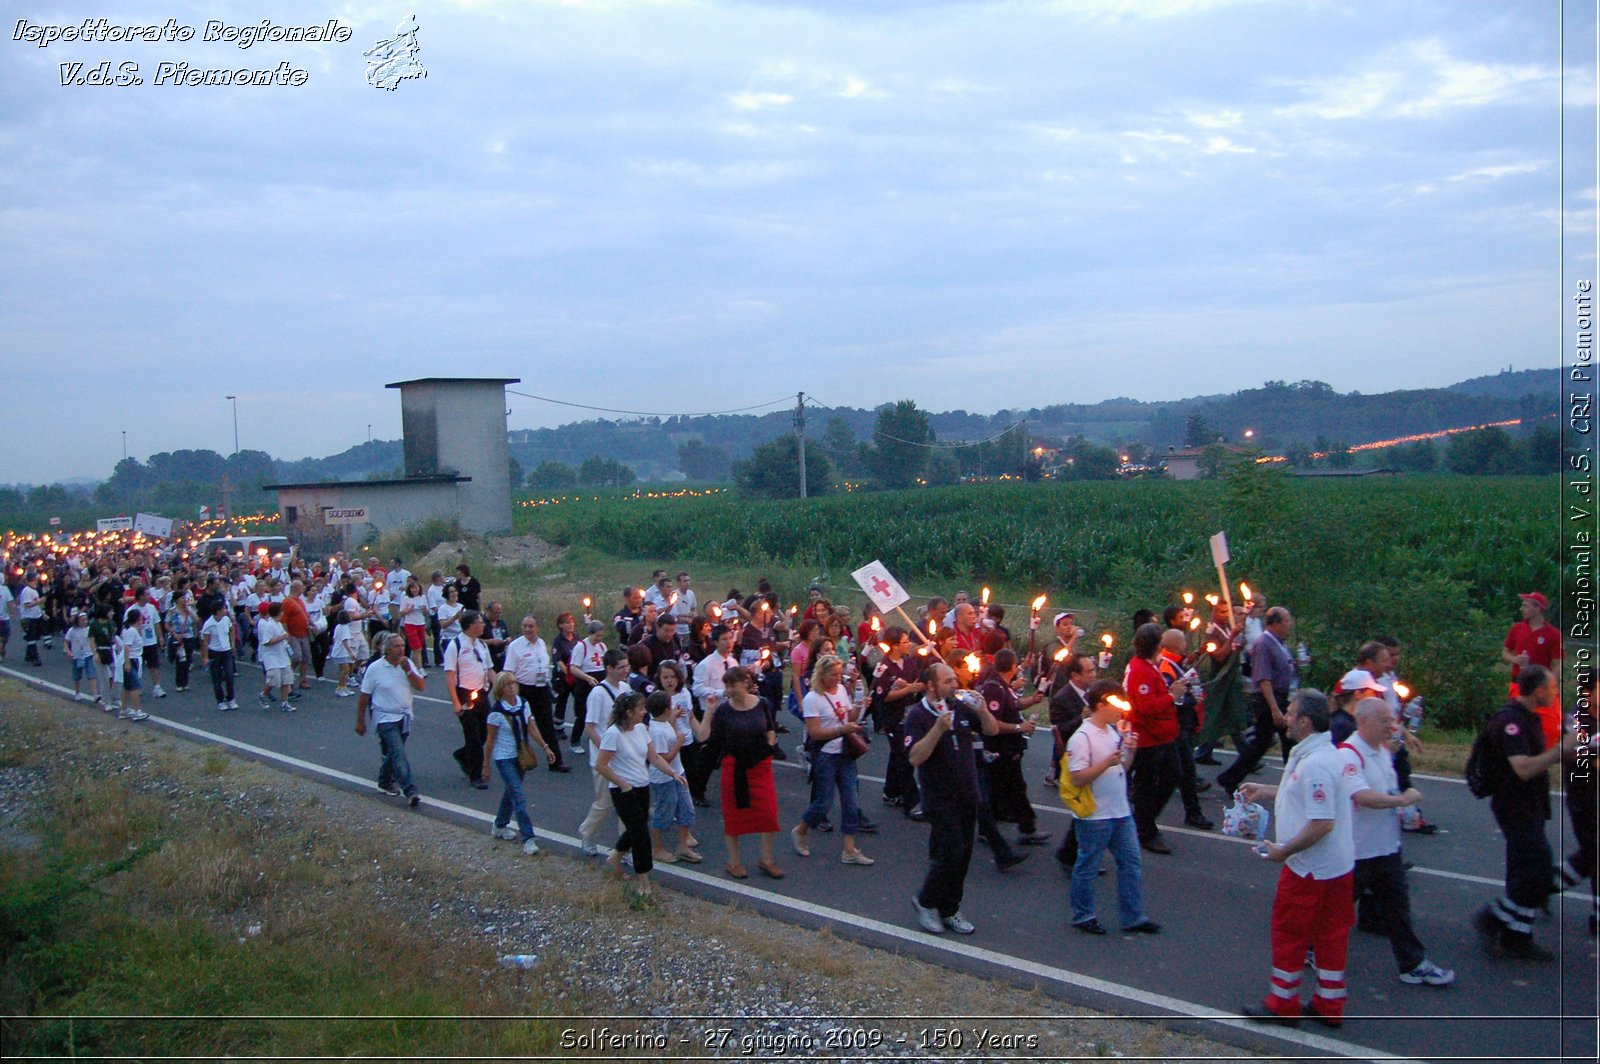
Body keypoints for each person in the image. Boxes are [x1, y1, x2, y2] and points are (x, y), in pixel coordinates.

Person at [1239, 689, 1359, 1028]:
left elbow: (1321, 821)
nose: (1286, 718)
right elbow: (1308, 796)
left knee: (1290, 931)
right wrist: (1267, 790)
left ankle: (1283, 1002)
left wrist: (1285, 850)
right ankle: (1329, 1003)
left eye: (1290, 713)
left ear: (1305, 722)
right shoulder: (1323, 754)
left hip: (1309, 868)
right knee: (1331, 935)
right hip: (1337, 867)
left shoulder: (1316, 762)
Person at [1340, 697, 1455, 986]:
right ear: (1363, 721)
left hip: (1387, 848)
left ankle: (1413, 963)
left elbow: (1387, 785)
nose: (1391, 726)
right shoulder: (1350, 754)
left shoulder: (1381, 750)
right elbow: (1360, 795)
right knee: (1339, 911)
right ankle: (1313, 949)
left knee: (1398, 910)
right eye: (1384, 721)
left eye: (1392, 721)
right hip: (1359, 850)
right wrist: (1401, 800)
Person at [1473, 665, 1578, 959]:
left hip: (1531, 804)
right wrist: (1559, 751)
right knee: (1537, 868)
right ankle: (1493, 917)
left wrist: (1572, 750)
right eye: (1553, 688)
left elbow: (1538, 760)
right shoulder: (1511, 723)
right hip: (1514, 805)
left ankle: (1518, 935)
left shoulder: (1530, 719)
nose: (1557, 694)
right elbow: (1522, 768)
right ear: (1538, 690)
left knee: (1524, 870)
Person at [906, 663, 1002, 936]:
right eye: (947, 681)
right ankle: (925, 901)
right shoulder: (917, 716)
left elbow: (992, 730)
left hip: (967, 794)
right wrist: (937, 729)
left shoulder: (960, 706)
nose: (955, 684)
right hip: (939, 796)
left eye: (954, 679)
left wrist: (982, 710)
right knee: (950, 853)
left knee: (964, 857)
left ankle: (950, 908)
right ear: (931, 685)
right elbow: (915, 756)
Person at [1067, 679, 1159, 935]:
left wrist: (1129, 753)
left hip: (1120, 812)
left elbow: (1122, 770)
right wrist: (1107, 763)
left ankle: (1133, 917)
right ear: (1100, 705)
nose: (1121, 709)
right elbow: (1078, 777)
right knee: (1088, 866)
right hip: (1095, 815)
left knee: (1131, 863)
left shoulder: (1113, 732)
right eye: (1116, 703)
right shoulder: (1082, 737)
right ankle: (1083, 915)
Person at [596, 690, 687, 897]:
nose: (644, 712)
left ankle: (616, 857)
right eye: (640, 708)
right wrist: (622, 783)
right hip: (623, 790)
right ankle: (644, 880)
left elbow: (653, 757)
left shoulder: (641, 729)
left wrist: (672, 772)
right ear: (629, 712)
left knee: (638, 826)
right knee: (640, 834)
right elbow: (602, 765)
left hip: (642, 786)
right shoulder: (613, 734)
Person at [791, 654, 875, 867]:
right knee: (823, 802)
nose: (838, 678)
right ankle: (801, 830)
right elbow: (815, 733)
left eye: (840, 674)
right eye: (834, 675)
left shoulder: (840, 691)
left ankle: (849, 849)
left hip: (844, 754)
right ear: (822, 674)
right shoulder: (813, 699)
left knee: (851, 801)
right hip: (826, 755)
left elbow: (850, 716)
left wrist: (860, 706)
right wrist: (842, 729)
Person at [700, 666, 784, 878]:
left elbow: (771, 727)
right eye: (727, 686)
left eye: (733, 685)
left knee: (768, 813)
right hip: (735, 767)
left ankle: (766, 859)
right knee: (734, 816)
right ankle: (733, 861)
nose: (729, 690)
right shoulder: (723, 711)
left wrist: (770, 744)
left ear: (746, 682)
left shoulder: (763, 704)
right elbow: (714, 741)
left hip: (760, 766)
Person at [1216, 606, 1298, 795]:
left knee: (1273, 741)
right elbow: (1263, 678)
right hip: (1270, 699)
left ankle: (1230, 777)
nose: (1290, 624)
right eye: (1287, 620)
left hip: (1282, 697)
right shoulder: (1264, 644)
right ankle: (1231, 777)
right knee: (1274, 740)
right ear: (1275, 623)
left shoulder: (1279, 642)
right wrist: (1274, 708)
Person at [1125, 622, 1191, 853]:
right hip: (1148, 737)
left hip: (1163, 734)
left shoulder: (1149, 667)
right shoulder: (1140, 671)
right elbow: (1145, 707)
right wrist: (1171, 696)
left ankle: (1143, 821)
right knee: (1148, 785)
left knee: (1172, 775)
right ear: (1156, 646)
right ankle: (1144, 828)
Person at [977, 649, 1050, 847]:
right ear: (1011, 666)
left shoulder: (1003, 686)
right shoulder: (994, 688)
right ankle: (1024, 828)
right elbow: (993, 721)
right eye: (1016, 664)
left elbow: (1013, 705)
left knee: (1006, 788)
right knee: (1010, 788)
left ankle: (997, 826)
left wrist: (1032, 701)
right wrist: (1019, 727)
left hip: (1009, 748)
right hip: (1001, 748)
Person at [483, 672, 553, 856]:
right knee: (519, 797)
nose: (512, 687)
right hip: (504, 757)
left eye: (514, 683)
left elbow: (531, 727)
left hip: (521, 757)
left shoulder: (523, 705)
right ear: (500, 689)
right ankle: (528, 838)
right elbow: (490, 741)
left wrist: (545, 747)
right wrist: (486, 765)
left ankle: (499, 825)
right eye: (507, 685)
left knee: (511, 792)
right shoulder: (496, 713)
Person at [355, 633, 425, 808]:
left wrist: (408, 670)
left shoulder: (407, 664)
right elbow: (364, 696)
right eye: (396, 646)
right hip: (384, 717)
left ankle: (384, 780)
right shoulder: (376, 668)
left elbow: (421, 686)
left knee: (394, 753)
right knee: (398, 751)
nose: (401, 649)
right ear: (387, 649)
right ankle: (410, 791)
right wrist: (360, 720)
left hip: (404, 715)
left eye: (402, 645)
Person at [1156, 628, 1213, 829]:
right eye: (1182, 642)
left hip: (1182, 724)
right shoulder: (1165, 665)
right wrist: (1191, 699)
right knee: (1181, 770)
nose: (1185, 645)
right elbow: (1173, 696)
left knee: (1181, 770)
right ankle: (1190, 812)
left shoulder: (1176, 662)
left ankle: (1192, 812)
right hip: (1176, 723)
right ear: (1175, 645)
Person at [578, 649, 632, 856]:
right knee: (605, 803)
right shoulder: (598, 693)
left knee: (626, 804)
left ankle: (624, 849)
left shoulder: (626, 688)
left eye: (626, 667)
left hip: (624, 756)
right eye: (620, 668)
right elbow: (590, 727)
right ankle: (587, 833)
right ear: (609, 668)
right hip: (604, 760)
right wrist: (605, 750)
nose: (625, 671)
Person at [1556, 671, 1598, 936]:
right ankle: (1530, 890)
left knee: (1590, 857)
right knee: (1593, 854)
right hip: (1584, 796)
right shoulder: (1576, 718)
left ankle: (1534, 888)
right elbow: (1570, 753)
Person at [504, 615, 570, 772]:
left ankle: (555, 762)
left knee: (547, 726)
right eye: (525, 626)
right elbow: (508, 672)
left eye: (531, 626)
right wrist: (511, 693)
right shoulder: (515, 646)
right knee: (521, 726)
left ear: (537, 627)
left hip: (541, 689)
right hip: (523, 690)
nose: (528, 629)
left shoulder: (541, 644)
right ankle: (518, 760)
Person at [645, 691, 700, 864]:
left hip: (677, 772)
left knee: (686, 808)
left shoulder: (663, 723)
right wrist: (678, 744)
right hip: (663, 778)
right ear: (666, 709)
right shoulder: (657, 731)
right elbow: (663, 758)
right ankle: (657, 848)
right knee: (664, 811)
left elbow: (670, 729)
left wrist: (674, 721)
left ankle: (683, 845)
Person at [1501, 591, 1563, 746]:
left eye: (1525, 605)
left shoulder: (1553, 634)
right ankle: (1516, 751)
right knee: (1517, 719)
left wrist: (1548, 685)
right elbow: (1505, 652)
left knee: (1549, 722)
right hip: (1519, 684)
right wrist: (1515, 659)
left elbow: (1557, 664)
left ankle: (1542, 753)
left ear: (1537, 608)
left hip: (1540, 686)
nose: (1521, 609)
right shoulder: (1517, 629)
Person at [875, 626, 926, 813]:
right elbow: (884, 695)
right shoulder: (884, 667)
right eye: (905, 642)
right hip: (892, 718)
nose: (909, 645)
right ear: (895, 646)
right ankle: (911, 800)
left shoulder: (909, 662)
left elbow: (915, 684)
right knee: (904, 757)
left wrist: (915, 686)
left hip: (908, 715)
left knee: (897, 754)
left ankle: (890, 790)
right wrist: (907, 689)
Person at [444, 610, 495, 790]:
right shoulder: (455, 645)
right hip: (465, 694)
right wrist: (456, 702)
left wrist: (500, 688)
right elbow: (449, 676)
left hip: (482, 693)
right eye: (480, 623)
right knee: (472, 735)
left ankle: (463, 755)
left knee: (484, 733)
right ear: (471, 625)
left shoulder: (481, 645)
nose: (483, 626)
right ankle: (476, 775)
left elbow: (489, 669)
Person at [199, 599, 238, 711]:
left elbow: (232, 630)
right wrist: (205, 657)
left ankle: (231, 698)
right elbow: (205, 641)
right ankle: (220, 700)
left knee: (229, 675)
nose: (225, 610)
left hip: (226, 651)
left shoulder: (226, 620)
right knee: (217, 678)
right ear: (218, 611)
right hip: (214, 652)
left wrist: (232, 644)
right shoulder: (209, 624)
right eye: (223, 608)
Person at [256, 602, 295, 710]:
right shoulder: (269, 625)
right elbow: (267, 642)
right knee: (274, 679)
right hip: (272, 657)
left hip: (282, 655)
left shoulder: (278, 624)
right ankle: (263, 694)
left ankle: (284, 702)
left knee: (286, 680)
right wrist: (282, 637)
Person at [116, 606, 149, 721]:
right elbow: (126, 647)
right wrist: (127, 662)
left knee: (128, 687)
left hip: (133, 659)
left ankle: (124, 709)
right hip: (131, 659)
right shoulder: (131, 631)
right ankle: (137, 710)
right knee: (134, 686)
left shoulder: (133, 630)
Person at [64, 610, 99, 702]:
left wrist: (95, 651)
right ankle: (77, 692)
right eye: (82, 620)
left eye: (86, 620)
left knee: (92, 674)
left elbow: (93, 641)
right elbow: (66, 642)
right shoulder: (72, 630)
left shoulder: (89, 629)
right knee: (77, 675)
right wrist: (68, 651)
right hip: (77, 656)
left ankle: (95, 694)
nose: (85, 622)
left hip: (88, 654)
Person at [399, 578, 430, 670]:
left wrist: (424, 609)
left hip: (421, 623)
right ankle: (419, 669)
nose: (414, 590)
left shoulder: (423, 597)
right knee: (417, 648)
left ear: (419, 588)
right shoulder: (406, 599)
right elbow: (401, 613)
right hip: (410, 624)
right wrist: (409, 610)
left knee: (419, 647)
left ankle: (415, 667)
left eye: (416, 588)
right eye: (412, 588)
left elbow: (426, 611)